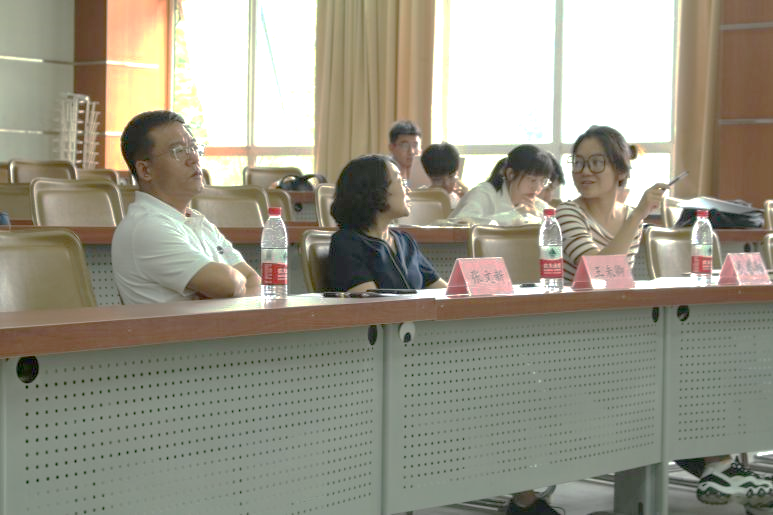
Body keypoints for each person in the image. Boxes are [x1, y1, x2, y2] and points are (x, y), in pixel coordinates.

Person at [558, 125, 773, 513]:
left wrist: (634, 217)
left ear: (620, 171)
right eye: (578, 162)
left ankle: (719, 466)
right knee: (672, 371)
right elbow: (597, 269)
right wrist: (640, 214)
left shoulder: (628, 217)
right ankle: (720, 467)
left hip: (619, 335)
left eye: (596, 163)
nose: (584, 171)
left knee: (694, 357)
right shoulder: (566, 214)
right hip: (576, 339)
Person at [112, 110, 261, 304]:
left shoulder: (198, 221)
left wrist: (222, 292)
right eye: (178, 151)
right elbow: (229, 283)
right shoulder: (146, 227)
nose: (194, 159)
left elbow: (253, 280)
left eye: (193, 147)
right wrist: (229, 287)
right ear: (145, 170)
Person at [327, 154, 447, 293]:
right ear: (375, 191)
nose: (408, 190)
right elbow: (369, 301)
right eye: (400, 182)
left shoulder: (405, 242)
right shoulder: (347, 244)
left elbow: (445, 292)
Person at [448, 144, 553, 226]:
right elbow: (463, 224)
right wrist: (514, 215)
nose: (538, 188)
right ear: (511, 174)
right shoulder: (483, 194)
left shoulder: (536, 205)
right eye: (532, 180)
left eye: (543, 181)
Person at [419, 142, 468, 208]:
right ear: (429, 176)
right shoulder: (420, 197)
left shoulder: (458, 199)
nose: (446, 184)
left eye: (451, 177)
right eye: (438, 179)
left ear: (457, 173)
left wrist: (467, 200)